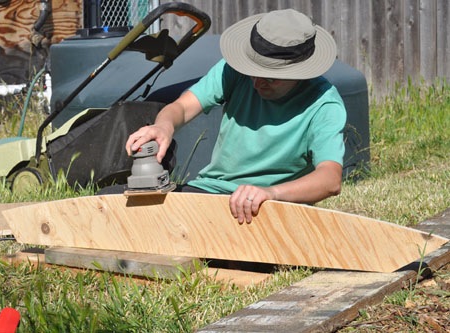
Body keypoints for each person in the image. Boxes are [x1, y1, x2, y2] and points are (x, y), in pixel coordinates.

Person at [125, 9, 347, 224]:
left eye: (270, 78)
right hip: (211, 192)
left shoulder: (324, 104)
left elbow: (330, 179)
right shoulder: (236, 70)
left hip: (272, 207)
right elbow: (182, 108)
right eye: (253, 72)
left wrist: (271, 193)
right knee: (116, 205)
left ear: (301, 71)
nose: (257, 83)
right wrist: (163, 126)